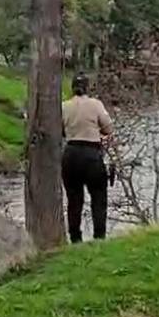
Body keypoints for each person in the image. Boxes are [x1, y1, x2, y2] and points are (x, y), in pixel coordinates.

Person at [61, 73, 113, 243]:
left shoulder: (64, 106)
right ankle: (99, 237)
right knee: (99, 197)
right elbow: (108, 128)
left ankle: (75, 238)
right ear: (88, 88)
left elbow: (60, 130)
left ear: (72, 88)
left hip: (71, 154)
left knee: (74, 199)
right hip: (91, 153)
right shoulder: (95, 104)